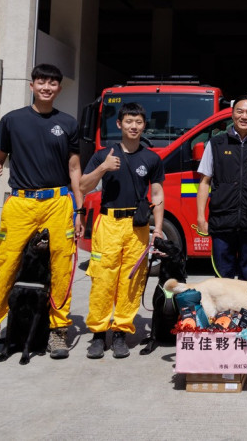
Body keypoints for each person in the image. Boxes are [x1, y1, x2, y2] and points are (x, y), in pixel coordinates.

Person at [0, 63, 84, 366]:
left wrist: (79, 209)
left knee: (62, 267)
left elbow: (74, 169)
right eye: (41, 82)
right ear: (32, 86)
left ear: (59, 88)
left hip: (59, 201)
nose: (47, 87)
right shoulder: (12, 120)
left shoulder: (68, 123)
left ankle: (59, 328)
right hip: (21, 203)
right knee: (5, 265)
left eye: (53, 83)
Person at [79, 102, 165, 359]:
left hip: (136, 227)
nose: (134, 126)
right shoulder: (103, 154)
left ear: (144, 125)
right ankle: (98, 334)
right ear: (119, 124)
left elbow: (158, 193)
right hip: (108, 224)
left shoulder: (151, 158)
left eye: (138, 122)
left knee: (131, 281)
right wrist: (103, 167)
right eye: (129, 121)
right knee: (103, 280)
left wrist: (157, 229)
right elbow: (83, 186)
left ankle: (120, 333)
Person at [195, 95, 247, 281]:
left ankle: (245, 311)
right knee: (222, 279)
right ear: (232, 114)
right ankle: (224, 312)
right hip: (222, 222)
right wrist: (201, 217)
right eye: (240, 111)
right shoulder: (216, 144)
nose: (244, 116)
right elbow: (204, 182)